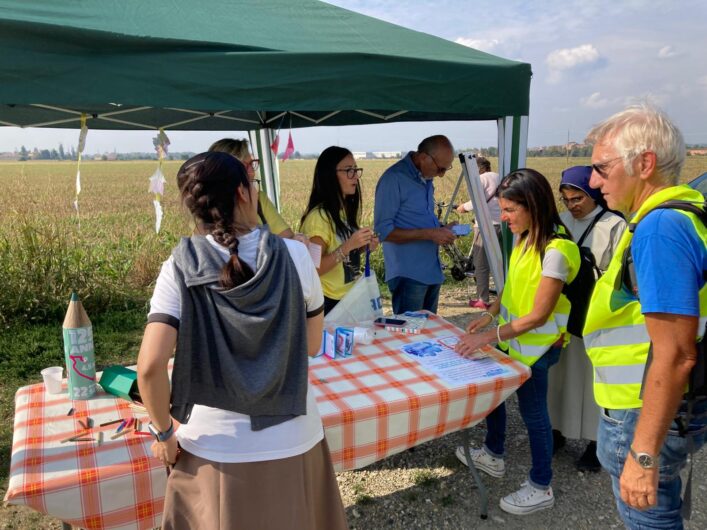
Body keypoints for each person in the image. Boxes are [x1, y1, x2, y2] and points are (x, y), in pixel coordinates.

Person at [137, 152, 348, 530]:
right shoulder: (296, 256)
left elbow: (150, 367)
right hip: (294, 434)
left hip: (212, 444)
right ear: (243, 193)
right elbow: (312, 345)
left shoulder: (180, 265)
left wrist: (165, 434)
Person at [583, 105, 707, 528]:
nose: (593, 180)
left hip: (644, 410)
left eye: (601, 167)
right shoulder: (689, 214)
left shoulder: (659, 228)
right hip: (669, 406)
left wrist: (643, 454)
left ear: (645, 163)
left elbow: (675, 354)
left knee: (650, 518)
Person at [454, 168, 580, 515]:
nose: (503, 217)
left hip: (537, 350)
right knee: (495, 395)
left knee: (534, 415)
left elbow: (538, 315)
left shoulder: (557, 250)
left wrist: (486, 336)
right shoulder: (525, 238)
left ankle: (541, 485)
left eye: (510, 210)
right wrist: (491, 314)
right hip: (511, 342)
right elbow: (511, 290)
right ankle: (493, 454)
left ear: (533, 205)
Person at [547, 165, 627, 472]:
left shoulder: (614, 225)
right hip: (563, 313)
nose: (571, 205)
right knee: (560, 376)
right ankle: (557, 432)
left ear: (593, 193)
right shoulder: (562, 222)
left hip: (596, 316)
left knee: (593, 380)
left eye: (577, 197)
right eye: (566, 199)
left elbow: (620, 275)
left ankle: (596, 444)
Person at [374, 135, 457, 314]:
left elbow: (420, 218)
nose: (441, 174)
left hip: (431, 270)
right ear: (423, 157)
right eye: (440, 168)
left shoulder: (426, 177)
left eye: (446, 169)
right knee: (408, 337)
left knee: (428, 334)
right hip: (408, 274)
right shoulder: (394, 178)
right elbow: (383, 232)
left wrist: (442, 230)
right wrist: (429, 234)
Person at [300, 146, 378, 315]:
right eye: (349, 170)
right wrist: (349, 246)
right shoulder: (318, 218)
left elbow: (344, 256)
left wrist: (363, 247)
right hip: (328, 302)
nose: (356, 176)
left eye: (356, 169)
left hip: (348, 297)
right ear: (330, 175)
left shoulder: (343, 211)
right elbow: (314, 268)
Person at [209, 138, 295, 238]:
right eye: (245, 166)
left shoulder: (259, 199)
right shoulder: (204, 205)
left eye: (252, 164)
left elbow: (287, 236)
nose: (252, 172)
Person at [455, 156, 502, 309]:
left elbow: (476, 201)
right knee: (502, 262)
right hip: (503, 225)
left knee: (481, 264)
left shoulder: (480, 179)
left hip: (485, 225)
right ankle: (505, 297)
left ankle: (483, 299)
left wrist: (463, 207)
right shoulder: (500, 177)